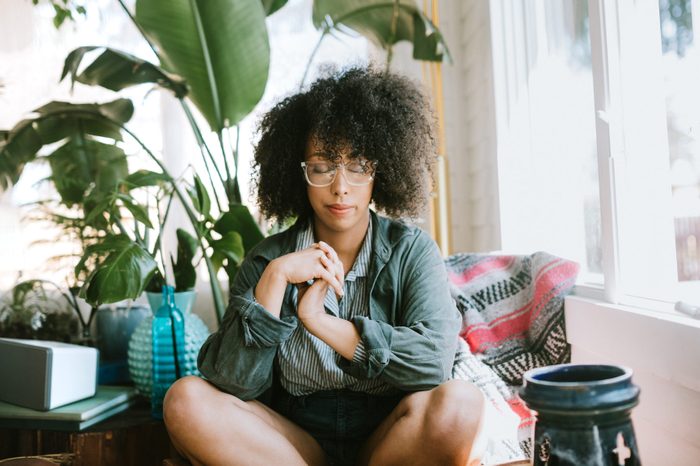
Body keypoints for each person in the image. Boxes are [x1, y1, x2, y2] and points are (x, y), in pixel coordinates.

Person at [163, 67, 484, 466]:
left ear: (379, 171)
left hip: (388, 440)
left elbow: (433, 365)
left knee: (462, 404)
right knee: (184, 399)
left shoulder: (412, 252)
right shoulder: (266, 261)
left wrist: (321, 321)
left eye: (358, 165)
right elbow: (231, 385)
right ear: (299, 173)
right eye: (321, 167)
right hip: (292, 445)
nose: (340, 186)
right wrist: (274, 282)